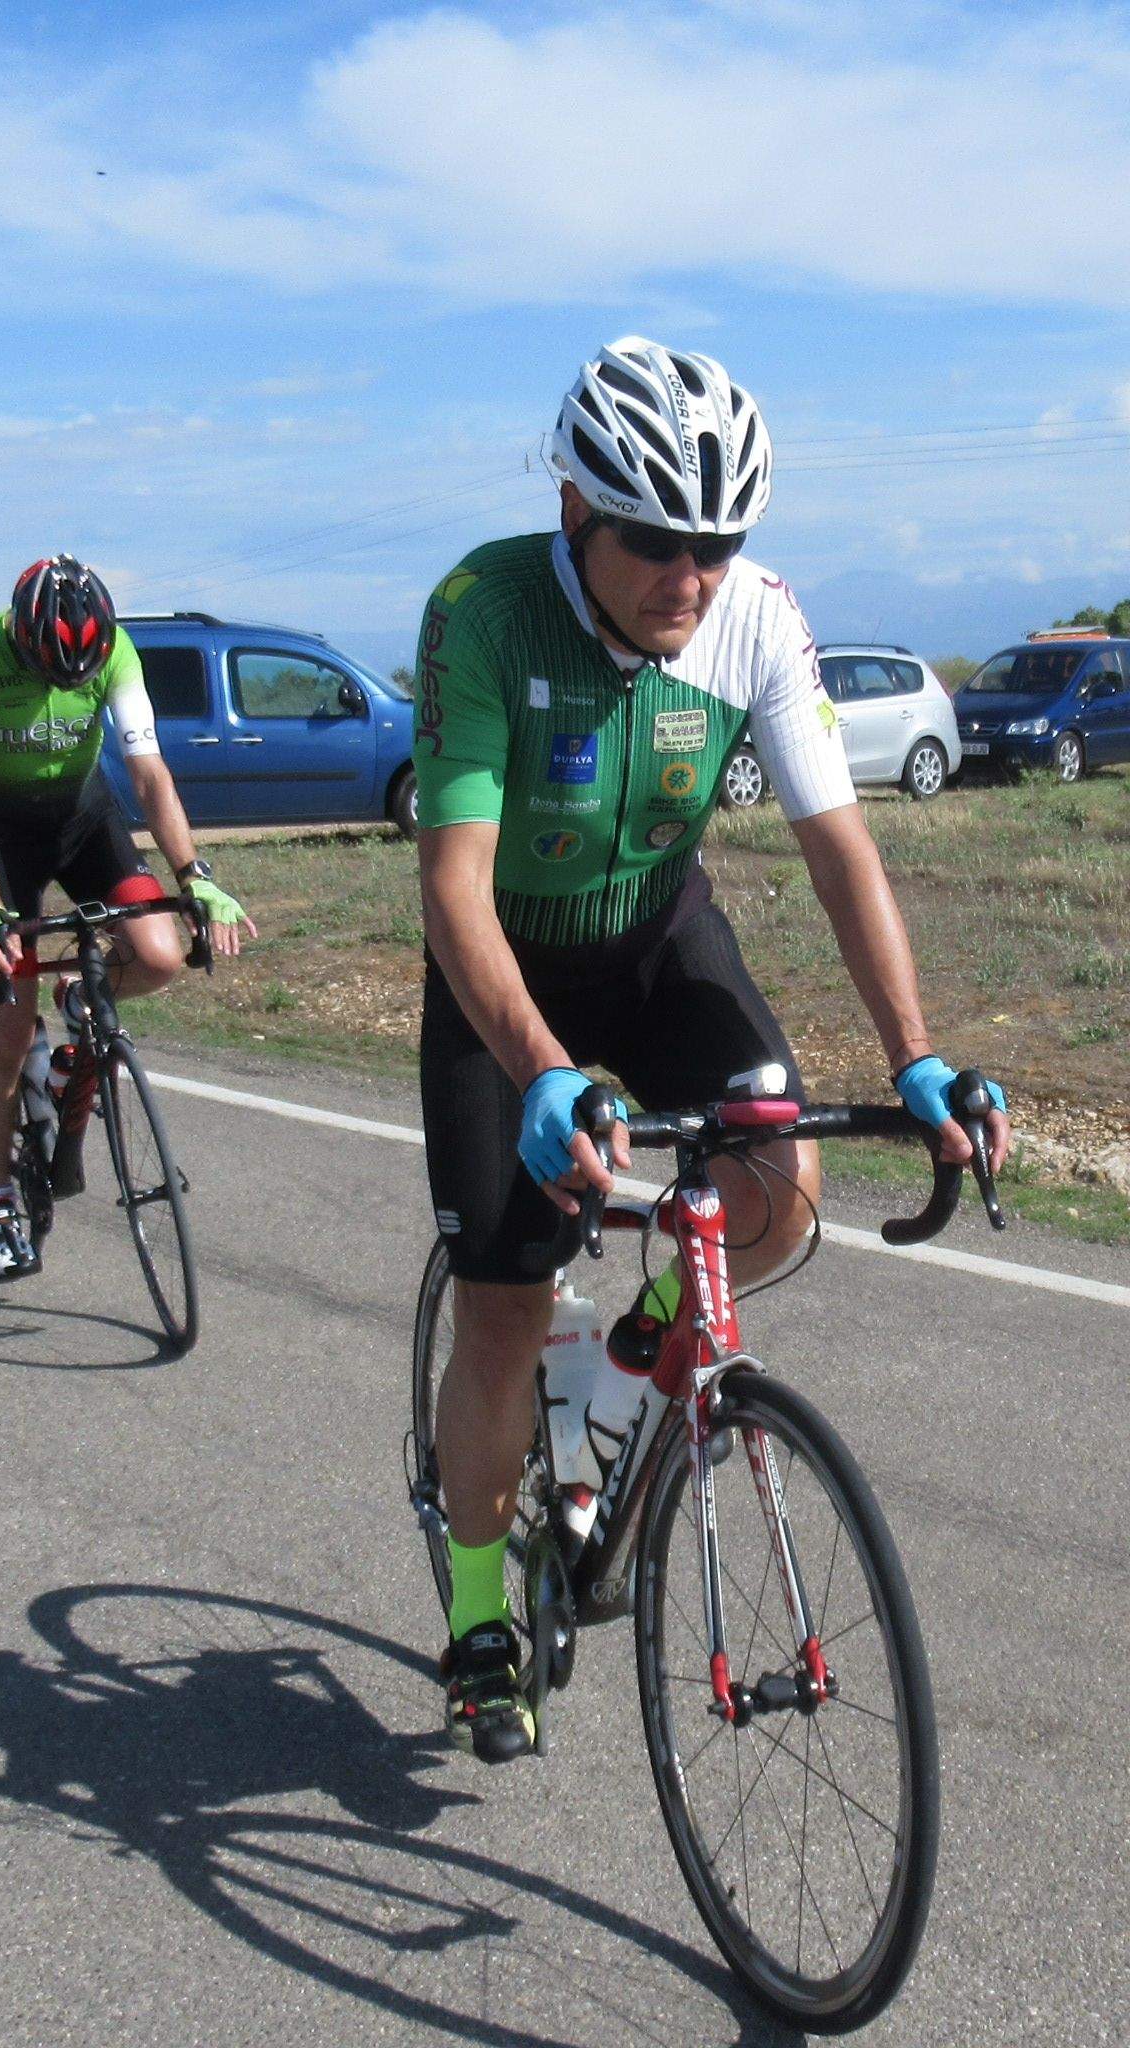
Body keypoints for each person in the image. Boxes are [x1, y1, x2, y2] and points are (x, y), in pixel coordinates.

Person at [413, 335, 1009, 1764]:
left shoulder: (757, 620)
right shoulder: (484, 615)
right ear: (575, 511)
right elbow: (452, 886)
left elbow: (839, 850)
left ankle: (632, 1354)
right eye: (657, 544)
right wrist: (542, 1068)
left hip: (655, 936)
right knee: (500, 1312)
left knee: (781, 1187)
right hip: (506, 968)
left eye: (719, 544)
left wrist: (918, 1055)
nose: (692, 579)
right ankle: (482, 1619)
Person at [0, 553, 255, 1278]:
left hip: (82, 818)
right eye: (49, 672)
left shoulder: (116, 649)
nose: (62, 686)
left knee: (161, 955)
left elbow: (148, 772)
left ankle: (80, 1005)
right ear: (20, 638)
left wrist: (194, 876)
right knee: (8, 1027)